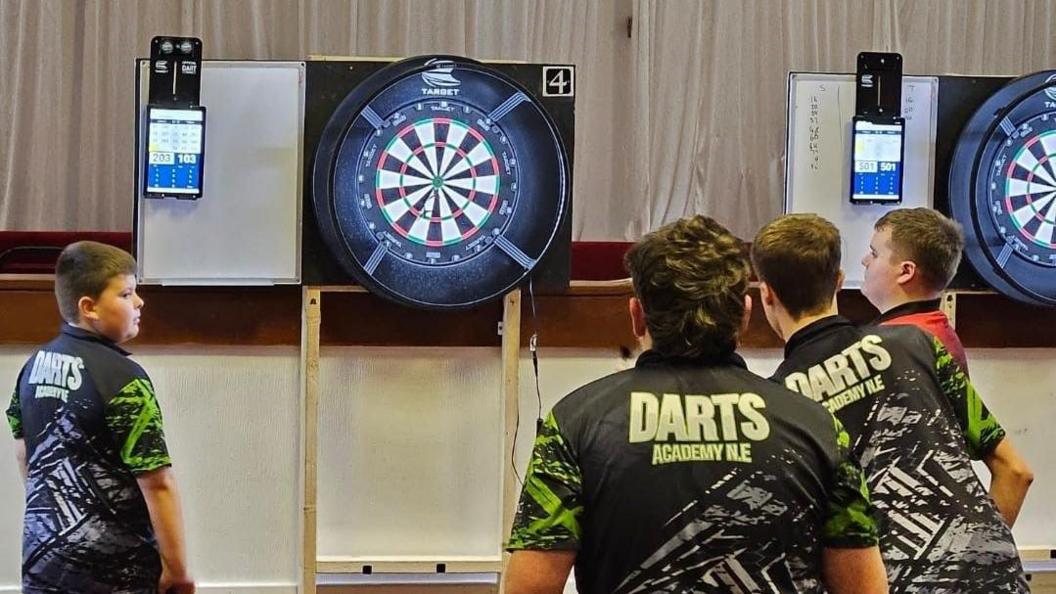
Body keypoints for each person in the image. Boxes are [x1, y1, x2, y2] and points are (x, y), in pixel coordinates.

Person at [504, 215, 887, 594]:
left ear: (637, 316)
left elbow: (529, 587)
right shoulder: (817, 428)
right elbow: (865, 587)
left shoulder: (576, 423)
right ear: (744, 316)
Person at [752, 214, 1032, 593]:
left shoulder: (780, 404)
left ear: (766, 294)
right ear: (838, 282)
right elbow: (1016, 472)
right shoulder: (916, 345)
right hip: (998, 575)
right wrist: (974, 554)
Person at [5, 241, 194, 593]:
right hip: (114, 573)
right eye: (125, 294)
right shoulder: (125, 379)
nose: (139, 302)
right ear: (89, 307)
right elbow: (157, 483)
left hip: (43, 564)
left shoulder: (32, 367)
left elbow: (25, 454)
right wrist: (178, 571)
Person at [861, 207, 969, 372]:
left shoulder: (891, 346)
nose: (865, 261)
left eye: (874, 254)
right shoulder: (937, 332)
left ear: (906, 272)